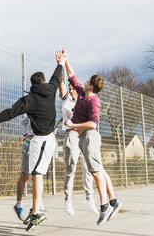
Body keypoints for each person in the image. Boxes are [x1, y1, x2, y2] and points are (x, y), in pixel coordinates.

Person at [0, 50, 64, 231]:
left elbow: (10, 112)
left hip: (41, 141)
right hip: (47, 140)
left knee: (36, 174)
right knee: (31, 174)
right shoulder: (52, 89)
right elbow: (57, 76)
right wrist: (61, 62)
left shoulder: (29, 99)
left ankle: (36, 211)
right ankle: (32, 207)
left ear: (32, 84)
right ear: (44, 81)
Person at [61, 50, 122, 226]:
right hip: (83, 138)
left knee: (94, 171)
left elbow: (93, 123)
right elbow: (72, 77)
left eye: (88, 81)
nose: (84, 82)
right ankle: (114, 202)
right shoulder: (81, 93)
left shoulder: (93, 101)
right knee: (100, 170)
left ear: (92, 87)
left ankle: (104, 207)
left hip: (89, 137)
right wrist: (65, 61)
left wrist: (74, 126)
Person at [59, 75, 98, 216]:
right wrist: (60, 73)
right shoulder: (66, 99)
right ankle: (68, 198)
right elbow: (62, 86)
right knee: (72, 165)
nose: (71, 91)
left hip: (82, 134)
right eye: (69, 89)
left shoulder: (83, 99)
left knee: (88, 166)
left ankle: (89, 198)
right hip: (71, 134)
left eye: (73, 89)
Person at [13, 116, 46, 221]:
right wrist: (25, 135)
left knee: (38, 176)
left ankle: (39, 206)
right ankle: (19, 205)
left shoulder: (47, 108)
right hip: (29, 144)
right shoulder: (33, 106)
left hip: (40, 144)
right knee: (25, 175)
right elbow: (23, 122)